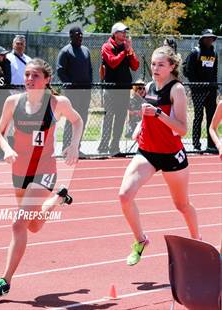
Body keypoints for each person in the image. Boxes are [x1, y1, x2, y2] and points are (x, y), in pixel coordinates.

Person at [0, 58, 83, 297]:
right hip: (19, 170)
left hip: (44, 170)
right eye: (27, 75)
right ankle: (59, 199)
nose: (29, 79)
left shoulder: (57, 102)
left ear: (47, 79)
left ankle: (4, 280)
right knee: (35, 226)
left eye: (35, 76)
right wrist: (7, 149)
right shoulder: (12, 101)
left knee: (18, 223)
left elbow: (77, 120)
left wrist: (73, 145)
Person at [119, 46, 200, 266]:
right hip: (147, 152)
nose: (155, 68)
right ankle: (140, 240)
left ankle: (198, 242)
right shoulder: (148, 87)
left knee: (182, 205)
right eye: (153, 64)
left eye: (160, 64)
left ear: (172, 67)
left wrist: (158, 114)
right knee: (124, 196)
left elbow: (182, 129)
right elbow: (148, 116)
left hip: (172, 155)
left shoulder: (177, 90)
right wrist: (140, 128)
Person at [98, 22, 139, 155]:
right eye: (121, 32)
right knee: (109, 118)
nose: (124, 34)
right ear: (114, 33)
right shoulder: (106, 46)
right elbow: (113, 62)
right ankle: (103, 146)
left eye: (125, 32)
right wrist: (124, 51)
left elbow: (135, 66)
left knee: (121, 118)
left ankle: (115, 146)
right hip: (111, 89)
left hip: (124, 89)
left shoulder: (126, 48)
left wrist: (130, 51)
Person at [57, 26, 92, 157]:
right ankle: (66, 148)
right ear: (71, 36)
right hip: (72, 92)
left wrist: (89, 85)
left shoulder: (86, 50)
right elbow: (60, 71)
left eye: (82, 34)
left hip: (85, 91)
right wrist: (70, 85)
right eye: (78, 34)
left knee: (82, 119)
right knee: (71, 118)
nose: (80, 36)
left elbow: (89, 70)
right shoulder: (65, 51)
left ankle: (77, 147)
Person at [184, 29, 218, 153]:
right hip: (198, 91)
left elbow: (214, 72)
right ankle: (196, 144)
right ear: (202, 39)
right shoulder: (195, 52)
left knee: (212, 118)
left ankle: (211, 144)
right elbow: (189, 72)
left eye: (212, 38)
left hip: (211, 91)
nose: (210, 40)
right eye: (207, 38)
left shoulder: (214, 53)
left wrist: (214, 87)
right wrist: (196, 87)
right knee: (198, 117)